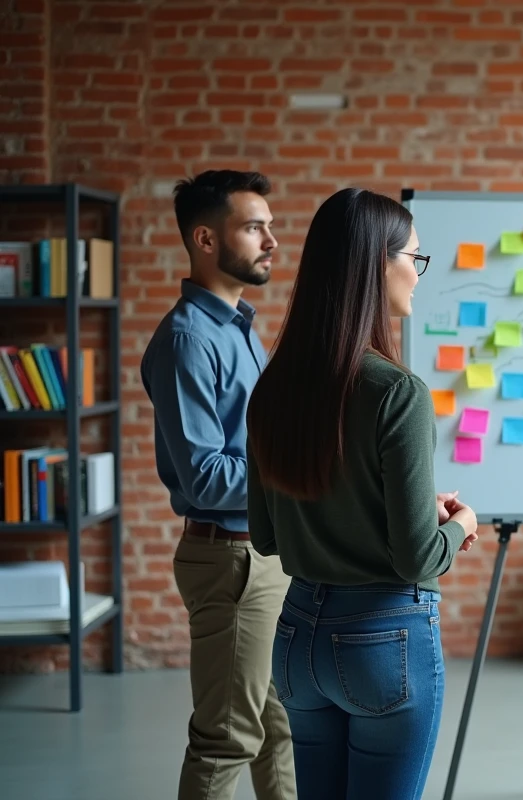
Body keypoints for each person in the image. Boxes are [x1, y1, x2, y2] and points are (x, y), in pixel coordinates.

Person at [245, 187, 479, 799]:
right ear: (380, 263)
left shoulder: (273, 389)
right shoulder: (397, 391)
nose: (418, 275)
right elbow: (416, 559)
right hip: (384, 639)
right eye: (415, 259)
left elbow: (267, 535)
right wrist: (459, 525)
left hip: (296, 641)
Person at [140, 170, 296, 800]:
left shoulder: (238, 329)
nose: (271, 241)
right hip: (230, 561)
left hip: (263, 553)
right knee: (226, 738)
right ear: (206, 238)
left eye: (270, 226)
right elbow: (206, 476)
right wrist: (300, 474)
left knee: (281, 725)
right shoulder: (187, 341)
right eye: (254, 226)